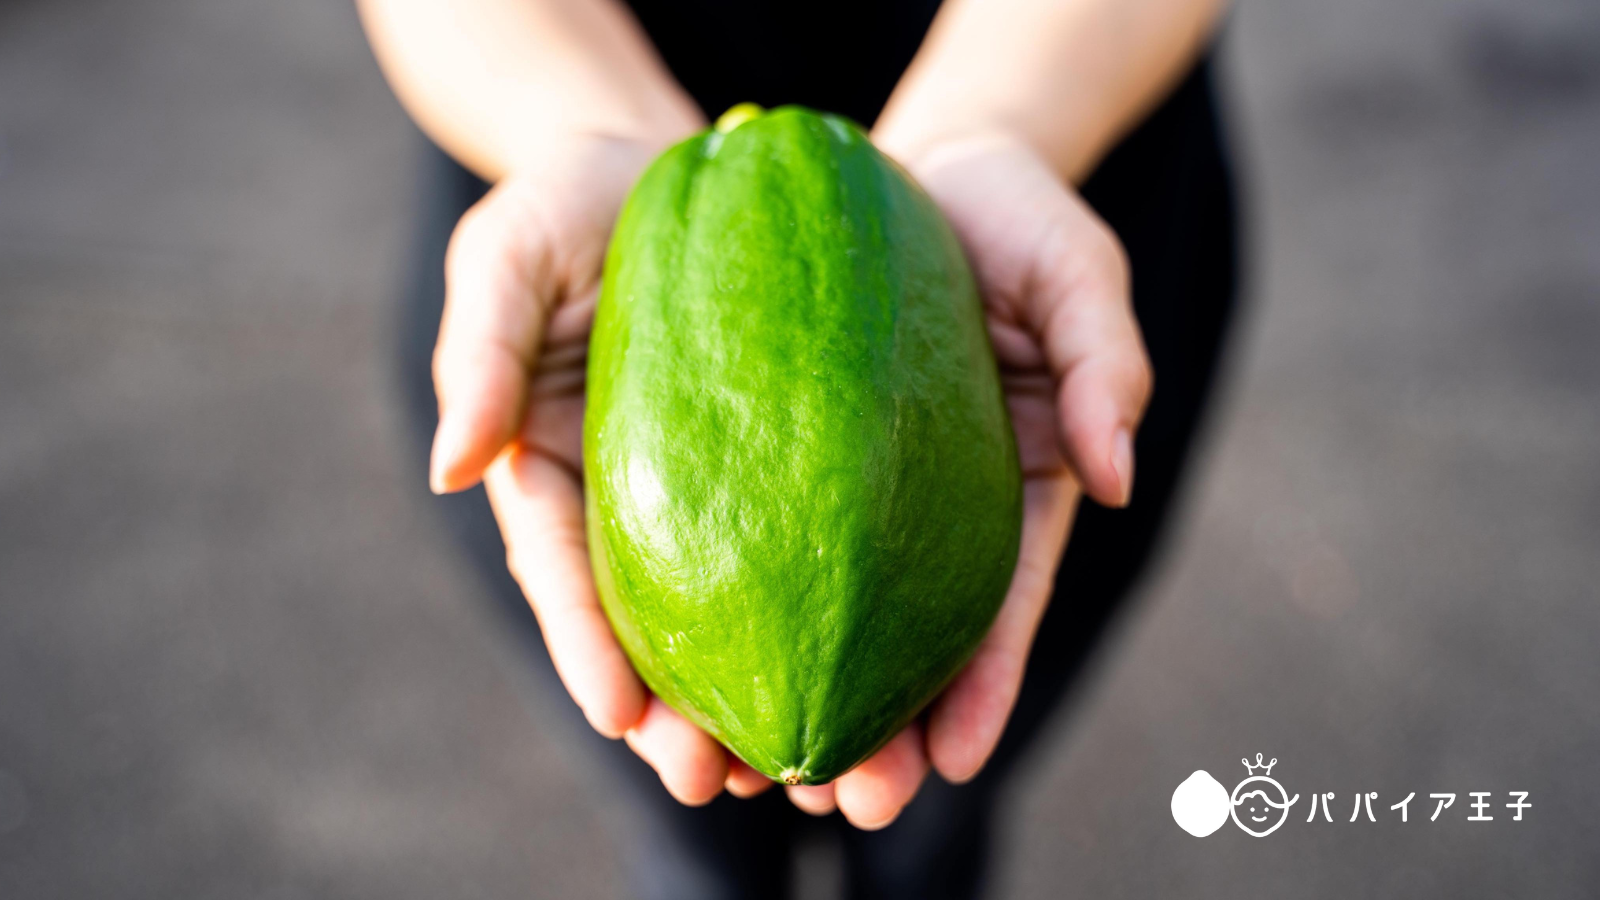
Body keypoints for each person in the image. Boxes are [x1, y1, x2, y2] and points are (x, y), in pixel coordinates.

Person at [359, 0, 1238, 896]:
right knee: (692, 827)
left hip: (1058, 112)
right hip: (557, 171)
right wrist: (579, 124)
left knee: (933, 817)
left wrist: (995, 123)